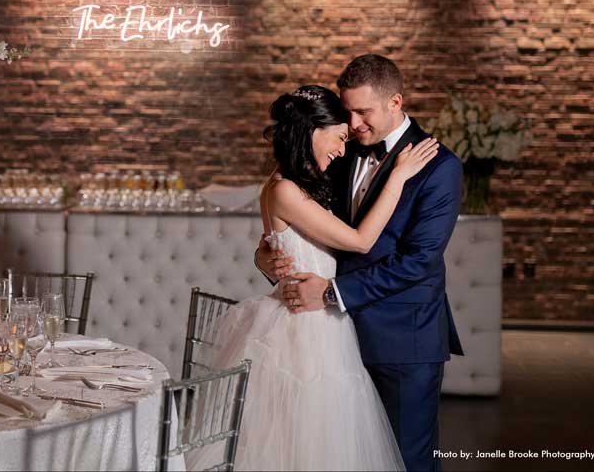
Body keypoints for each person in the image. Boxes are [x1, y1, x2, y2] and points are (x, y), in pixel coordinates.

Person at [187, 83, 438, 471]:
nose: (343, 148)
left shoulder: (298, 181)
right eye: (338, 137)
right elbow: (360, 240)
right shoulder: (286, 189)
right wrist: (398, 176)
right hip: (305, 330)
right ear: (311, 132)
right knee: (301, 442)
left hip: (327, 321)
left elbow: (287, 241)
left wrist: (265, 255)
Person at [257, 55, 464, 471]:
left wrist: (332, 293)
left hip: (402, 338)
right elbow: (301, 226)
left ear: (395, 102)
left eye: (363, 112)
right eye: (347, 112)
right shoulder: (342, 152)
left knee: (407, 460)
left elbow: (418, 261)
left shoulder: (439, 168)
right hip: (333, 338)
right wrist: (268, 255)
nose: (352, 124)